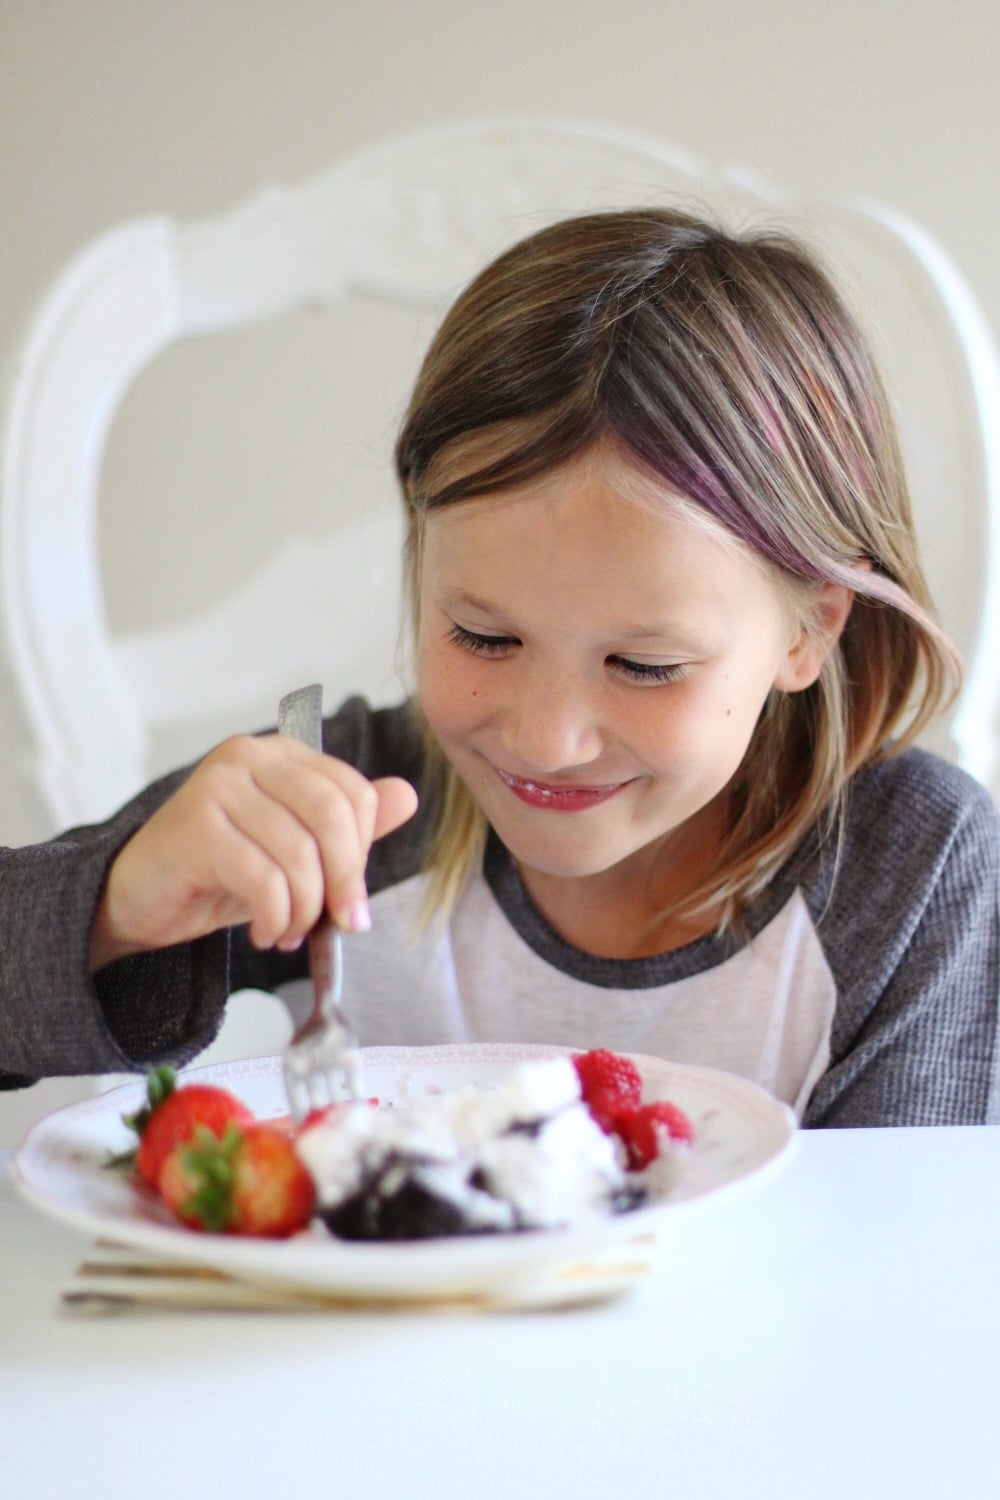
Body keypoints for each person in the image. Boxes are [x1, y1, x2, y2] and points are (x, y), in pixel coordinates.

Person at [2, 208, 998, 1126]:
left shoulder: (909, 874)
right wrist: (112, 911)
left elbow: (903, 1275)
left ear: (809, 630)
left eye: (643, 664)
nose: (543, 737)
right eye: (484, 638)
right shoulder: (350, 809)